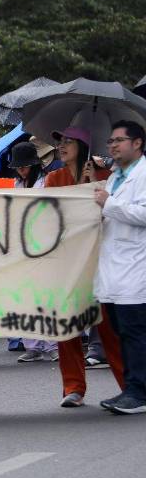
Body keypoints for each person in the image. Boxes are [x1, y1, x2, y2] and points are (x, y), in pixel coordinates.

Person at [44, 125, 124, 408]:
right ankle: (73, 386)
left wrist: (95, 184)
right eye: (60, 142)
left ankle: (129, 385)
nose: (62, 147)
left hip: (100, 263)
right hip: (67, 263)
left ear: (83, 146)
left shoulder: (107, 178)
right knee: (67, 327)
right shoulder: (54, 178)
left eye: (68, 142)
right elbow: (50, 216)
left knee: (109, 328)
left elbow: (111, 217)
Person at [93, 120, 146, 414]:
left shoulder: (144, 173)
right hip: (114, 270)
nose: (112, 146)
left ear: (137, 143)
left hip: (136, 269)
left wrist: (110, 204)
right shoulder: (115, 177)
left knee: (135, 333)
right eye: (110, 141)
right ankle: (130, 388)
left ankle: (139, 392)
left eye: (118, 140)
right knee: (120, 332)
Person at [7, 142, 59, 363]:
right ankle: (32, 345)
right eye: (18, 167)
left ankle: (53, 344)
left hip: (45, 244)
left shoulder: (46, 182)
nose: (21, 170)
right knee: (26, 296)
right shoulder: (15, 185)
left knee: (47, 297)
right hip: (22, 246)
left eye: (25, 166)